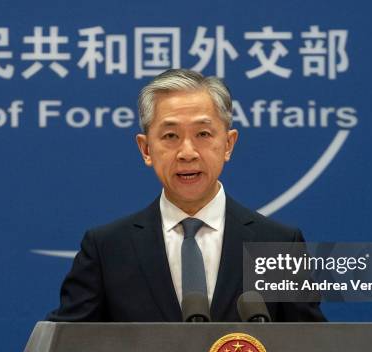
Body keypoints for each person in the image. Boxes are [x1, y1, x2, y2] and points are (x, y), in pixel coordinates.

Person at [47, 69, 325, 322]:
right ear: (145, 149)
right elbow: (66, 348)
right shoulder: (107, 249)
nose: (187, 152)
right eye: (170, 136)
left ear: (228, 144)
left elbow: (310, 351)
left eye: (203, 134)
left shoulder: (277, 244)